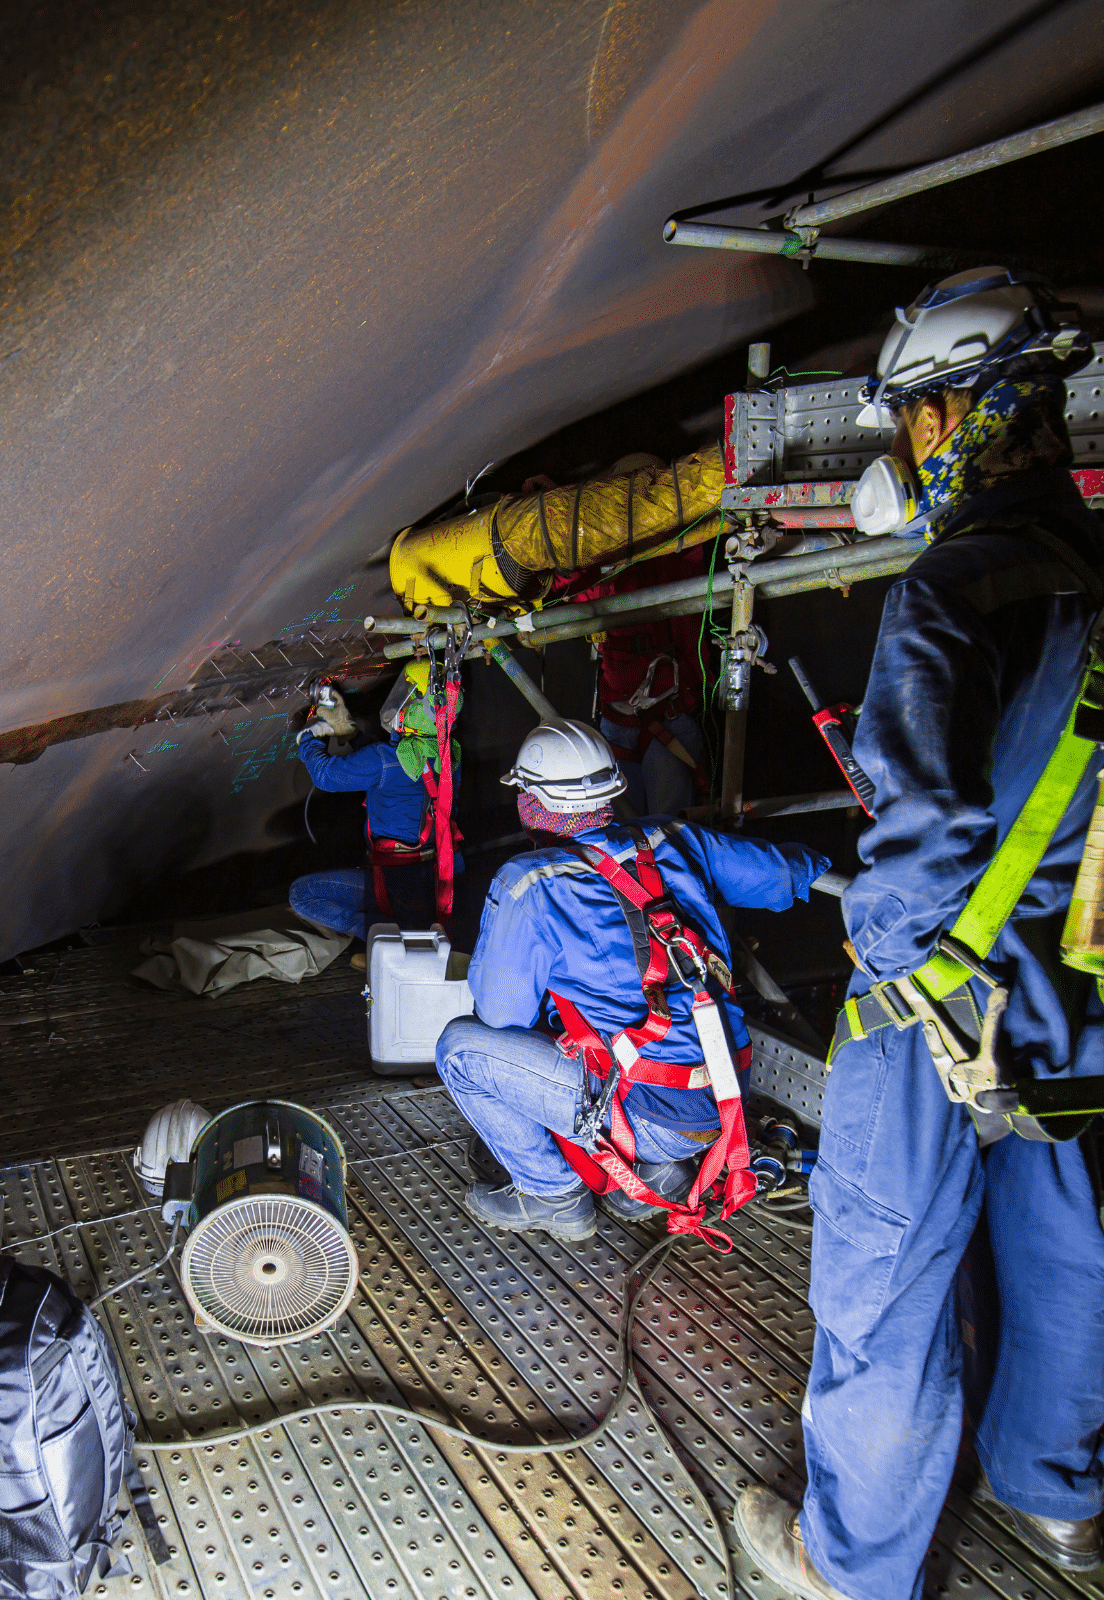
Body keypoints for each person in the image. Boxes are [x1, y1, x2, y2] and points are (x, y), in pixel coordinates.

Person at [734, 267, 1104, 1599]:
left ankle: (854, 1566)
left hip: (937, 987)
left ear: (952, 413)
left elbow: (922, 821)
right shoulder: (1091, 572)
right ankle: (1056, 1492)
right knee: (1064, 1240)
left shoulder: (960, 582)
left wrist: (888, 979)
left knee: (884, 1272)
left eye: (914, 419)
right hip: (1067, 983)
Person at [435, 720, 828, 1241]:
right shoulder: (671, 835)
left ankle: (552, 1195)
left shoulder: (530, 881)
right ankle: (658, 1170)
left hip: (649, 1109)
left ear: (530, 801)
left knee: (461, 1049)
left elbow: (500, 1015)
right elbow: (783, 877)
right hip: (727, 1093)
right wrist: (829, 864)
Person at [288, 661, 462, 939]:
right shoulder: (449, 756)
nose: (397, 706)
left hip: (398, 884)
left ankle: (379, 934)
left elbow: (325, 775)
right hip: (431, 881)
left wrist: (309, 739)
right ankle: (396, 929)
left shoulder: (386, 760)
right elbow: (386, 764)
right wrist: (347, 730)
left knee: (301, 895)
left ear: (415, 714)